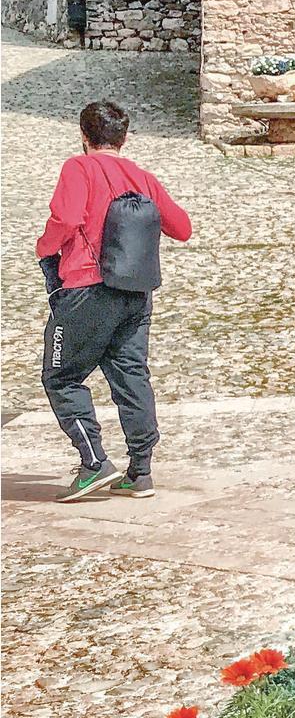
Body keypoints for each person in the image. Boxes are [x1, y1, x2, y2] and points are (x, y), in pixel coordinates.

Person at [35, 101, 193, 501]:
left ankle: (94, 463)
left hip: (86, 291)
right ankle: (140, 471)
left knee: (61, 377)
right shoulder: (143, 178)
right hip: (135, 295)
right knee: (131, 376)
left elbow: (67, 219)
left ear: (83, 135)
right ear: (124, 138)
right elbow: (182, 228)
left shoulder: (79, 167)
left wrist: (44, 247)